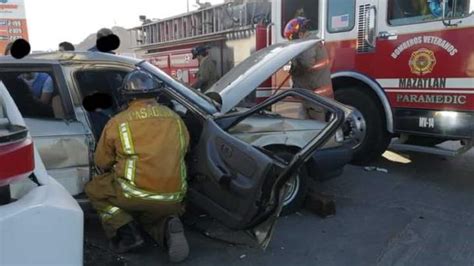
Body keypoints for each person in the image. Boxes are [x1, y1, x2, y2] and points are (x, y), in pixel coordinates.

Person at [85, 70, 190, 263]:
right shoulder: (175, 119)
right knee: (152, 216)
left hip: (133, 194)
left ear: (126, 95)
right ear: (156, 93)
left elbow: (102, 162)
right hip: (174, 196)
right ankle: (168, 225)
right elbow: (184, 150)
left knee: (94, 190)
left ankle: (128, 233)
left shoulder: (117, 122)